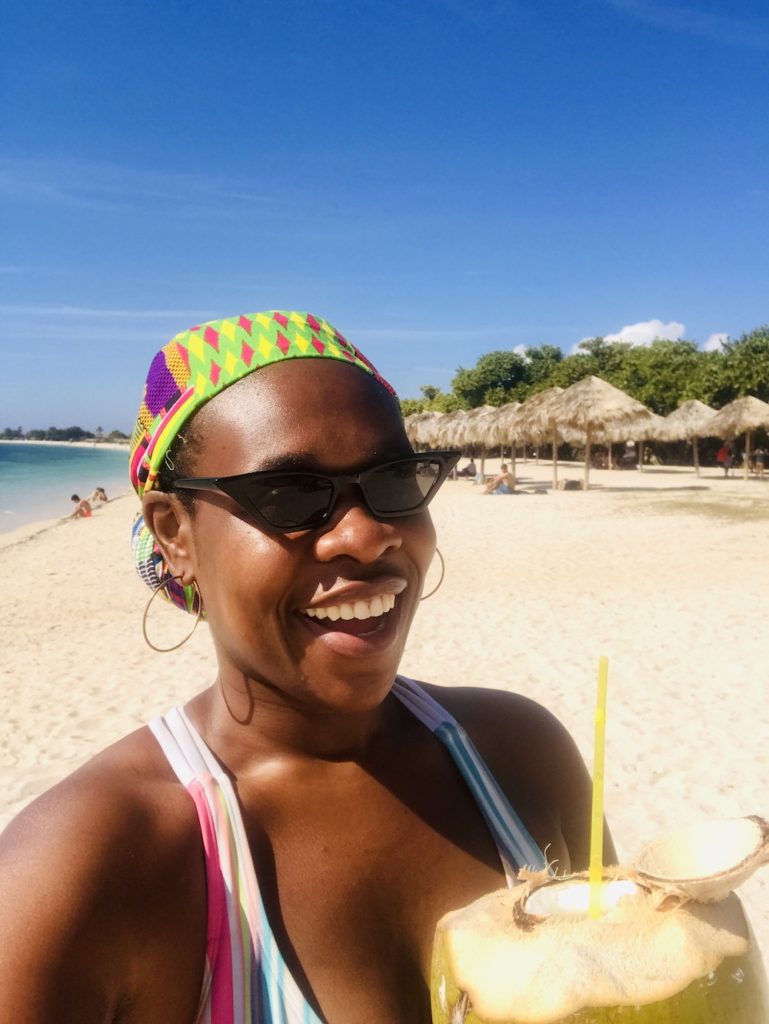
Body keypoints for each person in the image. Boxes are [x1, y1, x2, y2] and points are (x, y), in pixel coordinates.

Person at [0, 310, 609, 1023]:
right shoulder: (80, 871)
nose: (365, 534)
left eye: (393, 479)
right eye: (289, 494)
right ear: (174, 535)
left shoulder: (519, 753)